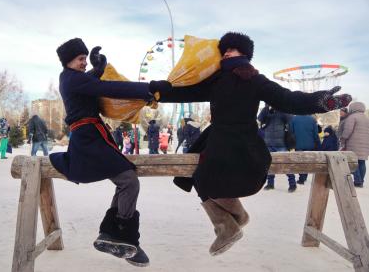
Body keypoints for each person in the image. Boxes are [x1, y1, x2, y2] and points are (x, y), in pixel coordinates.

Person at [153, 32, 351, 256]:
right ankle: (229, 224)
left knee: (207, 179)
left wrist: (321, 101)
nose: (227, 52)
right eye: (224, 49)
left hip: (242, 141)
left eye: (233, 49)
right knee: (197, 177)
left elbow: (288, 99)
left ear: (244, 53)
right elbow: (185, 92)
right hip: (218, 137)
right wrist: (157, 90)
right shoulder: (215, 79)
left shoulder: (256, 80)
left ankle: (230, 223)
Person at [49, 38, 170, 266]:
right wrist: (150, 88)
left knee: (125, 179)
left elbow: (93, 81)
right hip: (88, 140)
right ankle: (123, 235)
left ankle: (113, 235)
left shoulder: (72, 78)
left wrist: (99, 68)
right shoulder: (71, 79)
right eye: (81, 59)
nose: (84, 62)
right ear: (68, 61)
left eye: (85, 58)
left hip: (92, 136)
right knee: (128, 180)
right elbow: (107, 88)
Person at [257, 105, 297, 192]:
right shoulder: (266, 111)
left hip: (281, 144)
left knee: (286, 165)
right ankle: (270, 184)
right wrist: (267, 108)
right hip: (268, 144)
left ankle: (292, 184)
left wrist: (281, 107)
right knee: (269, 166)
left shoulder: (282, 112)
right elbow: (259, 118)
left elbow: (290, 118)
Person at [340, 101, 369, 187]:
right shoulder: (366, 118)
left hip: (353, 144)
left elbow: (348, 131)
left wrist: (343, 138)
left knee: (353, 162)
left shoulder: (352, 117)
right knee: (362, 162)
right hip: (365, 144)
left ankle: (357, 181)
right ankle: (361, 181)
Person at [289, 115, 321, 184]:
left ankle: (301, 177)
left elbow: (291, 131)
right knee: (306, 161)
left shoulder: (293, 119)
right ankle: (304, 177)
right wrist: (318, 142)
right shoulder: (312, 119)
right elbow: (315, 133)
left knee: (300, 161)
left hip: (298, 144)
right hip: (310, 144)